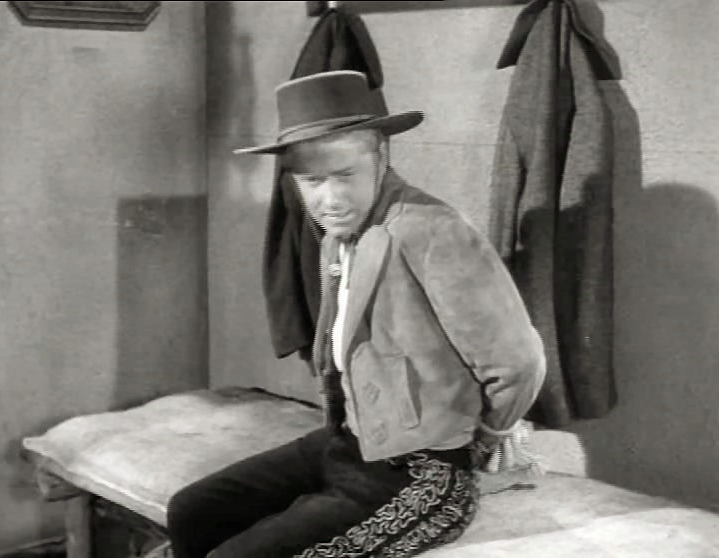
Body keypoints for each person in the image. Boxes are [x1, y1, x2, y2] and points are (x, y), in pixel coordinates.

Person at [166, 70, 546, 558]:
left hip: (423, 473)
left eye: (345, 175)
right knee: (192, 512)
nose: (330, 199)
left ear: (381, 158)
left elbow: (519, 364)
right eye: (312, 181)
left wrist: (486, 440)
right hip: (347, 444)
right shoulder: (339, 239)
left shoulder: (431, 230)